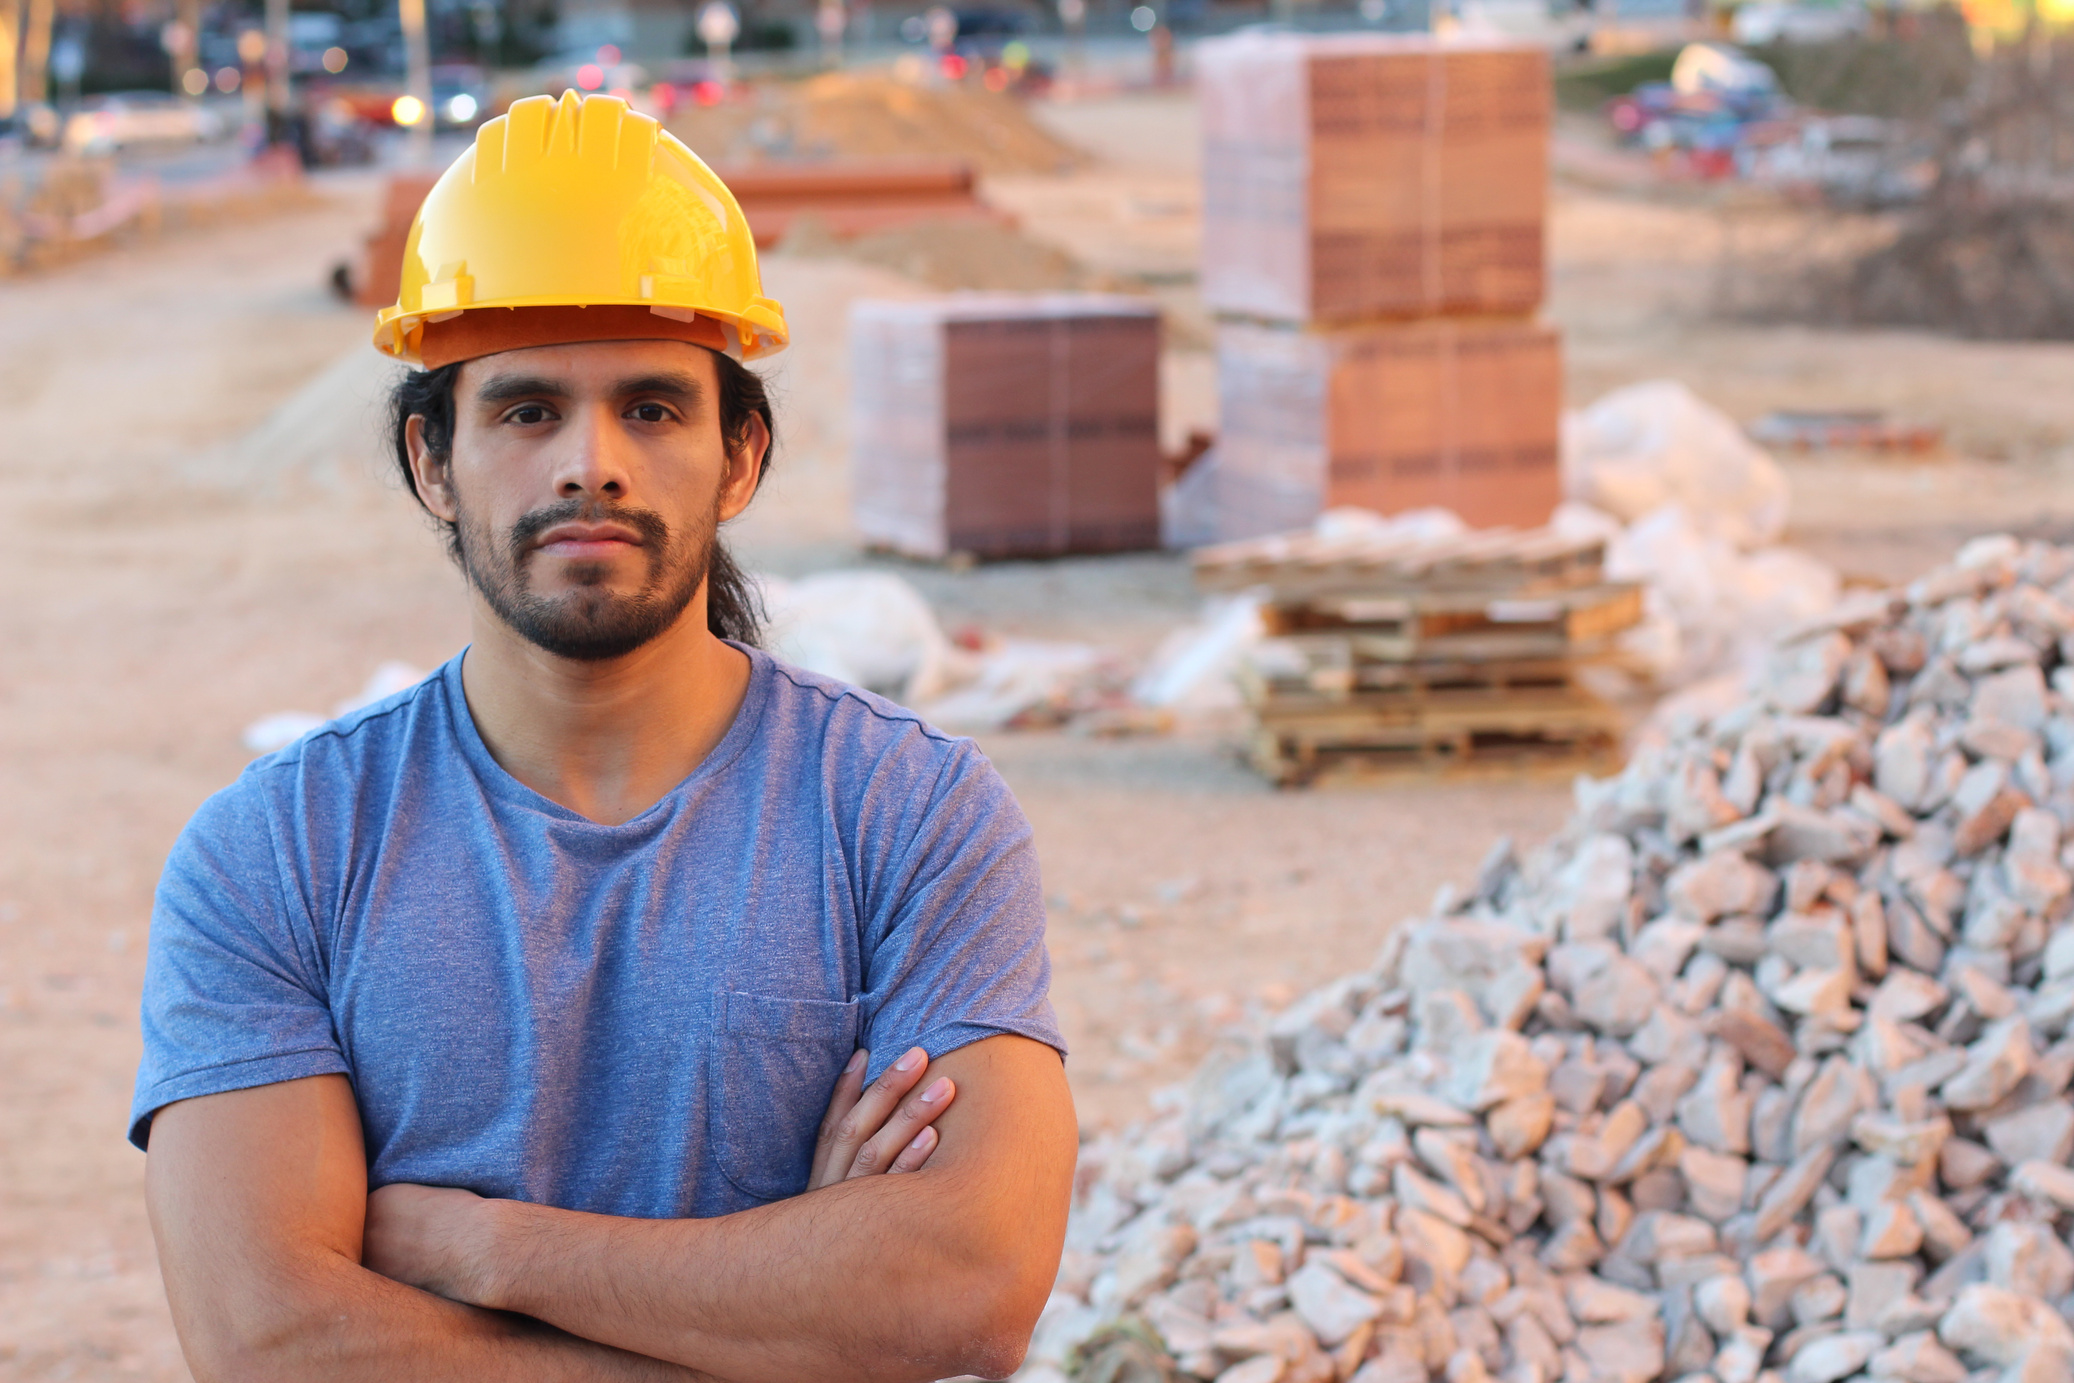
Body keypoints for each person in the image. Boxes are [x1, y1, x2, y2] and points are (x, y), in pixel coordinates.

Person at [132, 90, 1077, 1382]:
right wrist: (788, 1308)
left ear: (740, 455)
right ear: (431, 462)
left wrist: (483, 1249)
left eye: (651, 407)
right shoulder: (279, 852)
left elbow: (965, 1285)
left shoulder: (905, 815)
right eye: (525, 411)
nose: (591, 464)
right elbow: (273, 1340)